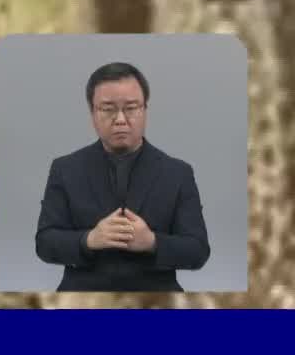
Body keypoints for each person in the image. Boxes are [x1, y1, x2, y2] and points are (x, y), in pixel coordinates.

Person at [33, 61, 211, 291]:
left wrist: (153, 243)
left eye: (131, 108)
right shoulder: (65, 169)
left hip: (155, 298)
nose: (120, 119)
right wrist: (89, 240)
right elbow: (44, 243)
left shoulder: (178, 173)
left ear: (145, 110)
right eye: (108, 109)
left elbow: (198, 251)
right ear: (92, 113)